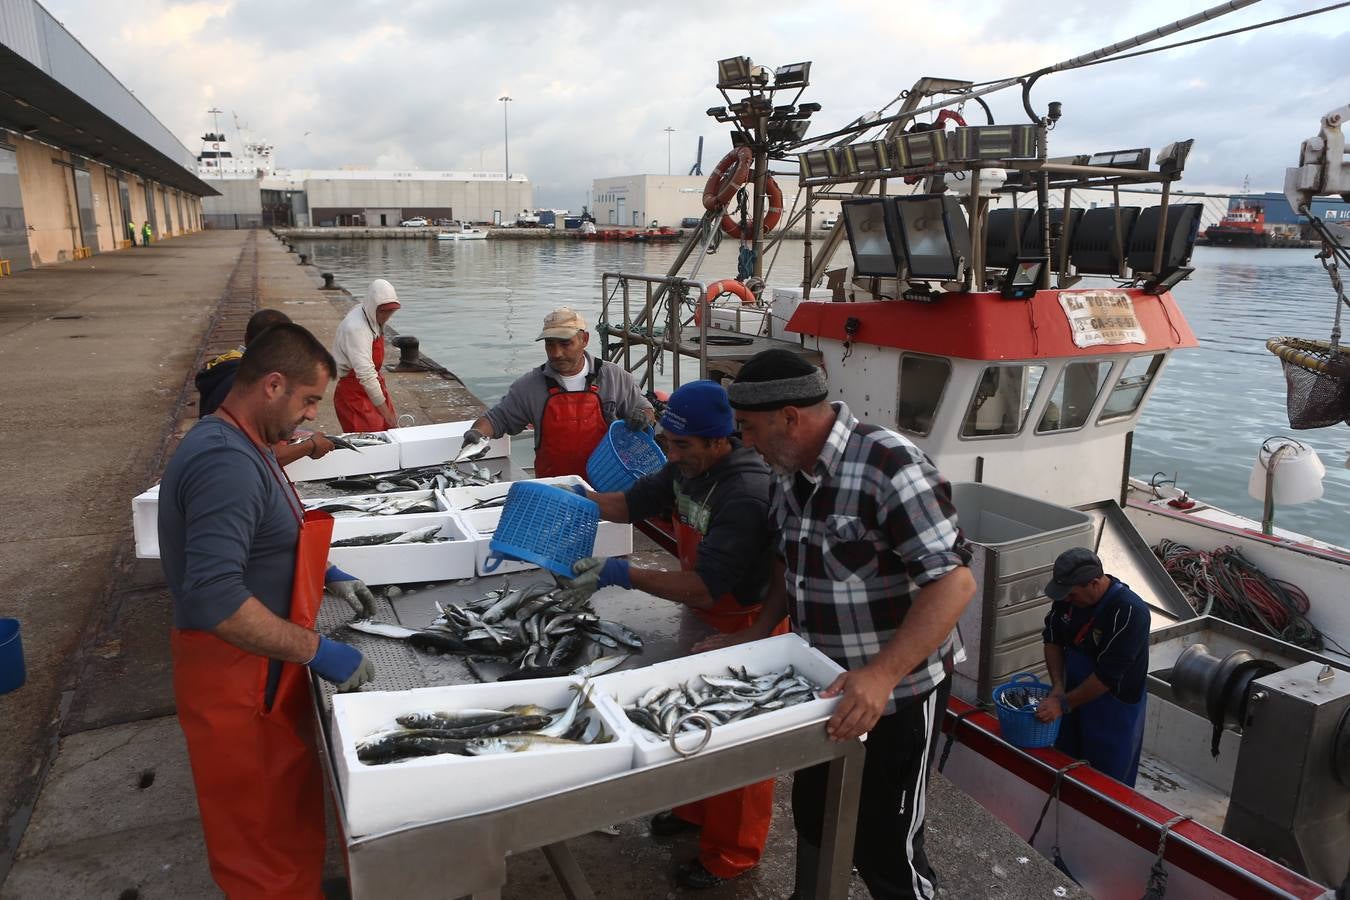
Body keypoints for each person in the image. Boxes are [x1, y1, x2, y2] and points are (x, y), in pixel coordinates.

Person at [707, 348, 976, 900]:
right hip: (825, 688)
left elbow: (954, 583)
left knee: (886, 846)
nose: (746, 442)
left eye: (752, 429)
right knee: (816, 816)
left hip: (899, 693)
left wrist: (880, 675)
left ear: (790, 418)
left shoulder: (890, 465)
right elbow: (791, 564)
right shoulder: (789, 472)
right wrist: (756, 635)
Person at [158, 323, 377, 897]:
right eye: (308, 401)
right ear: (273, 385)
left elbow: (265, 534)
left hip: (261, 669)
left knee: (284, 808)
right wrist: (319, 650)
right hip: (234, 676)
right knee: (257, 834)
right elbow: (215, 599)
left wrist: (327, 574)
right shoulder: (223, 462)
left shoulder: (244, 441)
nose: (309, 417)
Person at [559, 380, 782, 890]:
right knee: (691, 718)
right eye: (668, 441)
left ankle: (732, 854)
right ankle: (694, 811)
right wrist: (582, 501)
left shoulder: (743, 490)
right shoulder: (685, 466)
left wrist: (624, 573)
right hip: (702, 611)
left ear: (718, 441)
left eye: (681, 445)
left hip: (745, 622)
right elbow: (632, 503)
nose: (670, 452)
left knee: (739, 741)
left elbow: (705, 588)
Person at [459, 307, 653, 477]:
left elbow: (645, 410)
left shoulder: (614, 377)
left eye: (565, 343)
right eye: (550, 344)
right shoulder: (530, 386)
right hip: (554, 486)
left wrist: (642, 417)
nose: (556, 353)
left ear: (584, 339)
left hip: (608, 481)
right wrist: (477, 433)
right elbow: (496, 419)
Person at [1035, 546, 1151, 787]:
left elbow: (1106, 677)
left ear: (1095, 583)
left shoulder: (1130, 612)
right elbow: (1053, 640)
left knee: (1106, 783)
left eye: (1072, 595)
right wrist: (1058, 686)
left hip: (1113, 709)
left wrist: (1063, 703)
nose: (1066, 600)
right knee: (1064, 766)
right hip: (1072, 698)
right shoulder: (1066, 601)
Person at [332, 278, 401, 432]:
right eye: (383, 311)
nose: (386, 316)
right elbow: (366, 375)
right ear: (372, 306)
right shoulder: (356, 329)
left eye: (391, 311)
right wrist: (387, 414)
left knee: (387, 433)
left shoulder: (369, 315)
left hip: (372, 385)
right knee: (370, 441)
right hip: (353, 392)